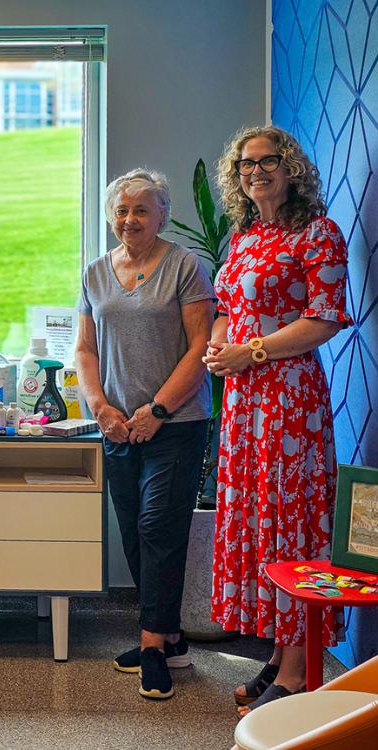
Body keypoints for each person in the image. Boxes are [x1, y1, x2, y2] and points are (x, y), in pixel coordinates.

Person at [205, 126, 352, 715]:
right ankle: (279, 649)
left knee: (290, 516)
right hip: (243, 400)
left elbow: (324, 319)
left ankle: (298, 666)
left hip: (290, 401)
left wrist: (253, 352)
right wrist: (221, 348)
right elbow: (226, 309)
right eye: (246, 163)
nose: (256, 171)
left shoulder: (318, 234)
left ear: (291, 168)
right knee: (259, 516)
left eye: (269, 161)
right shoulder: (244, 238)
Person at [75, 168, 215, 700]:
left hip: (175, 424)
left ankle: (152, 646)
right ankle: (171, 635)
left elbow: (200, 347)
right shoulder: (94, 272)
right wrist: (101, 407)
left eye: (141, 210)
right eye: (122, 210)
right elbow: (86, 351)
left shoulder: (184, 266)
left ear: (163, 214)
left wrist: (157, 409)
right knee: (134, 530)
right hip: (117, 426)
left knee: (159, 525)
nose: (129, 220)